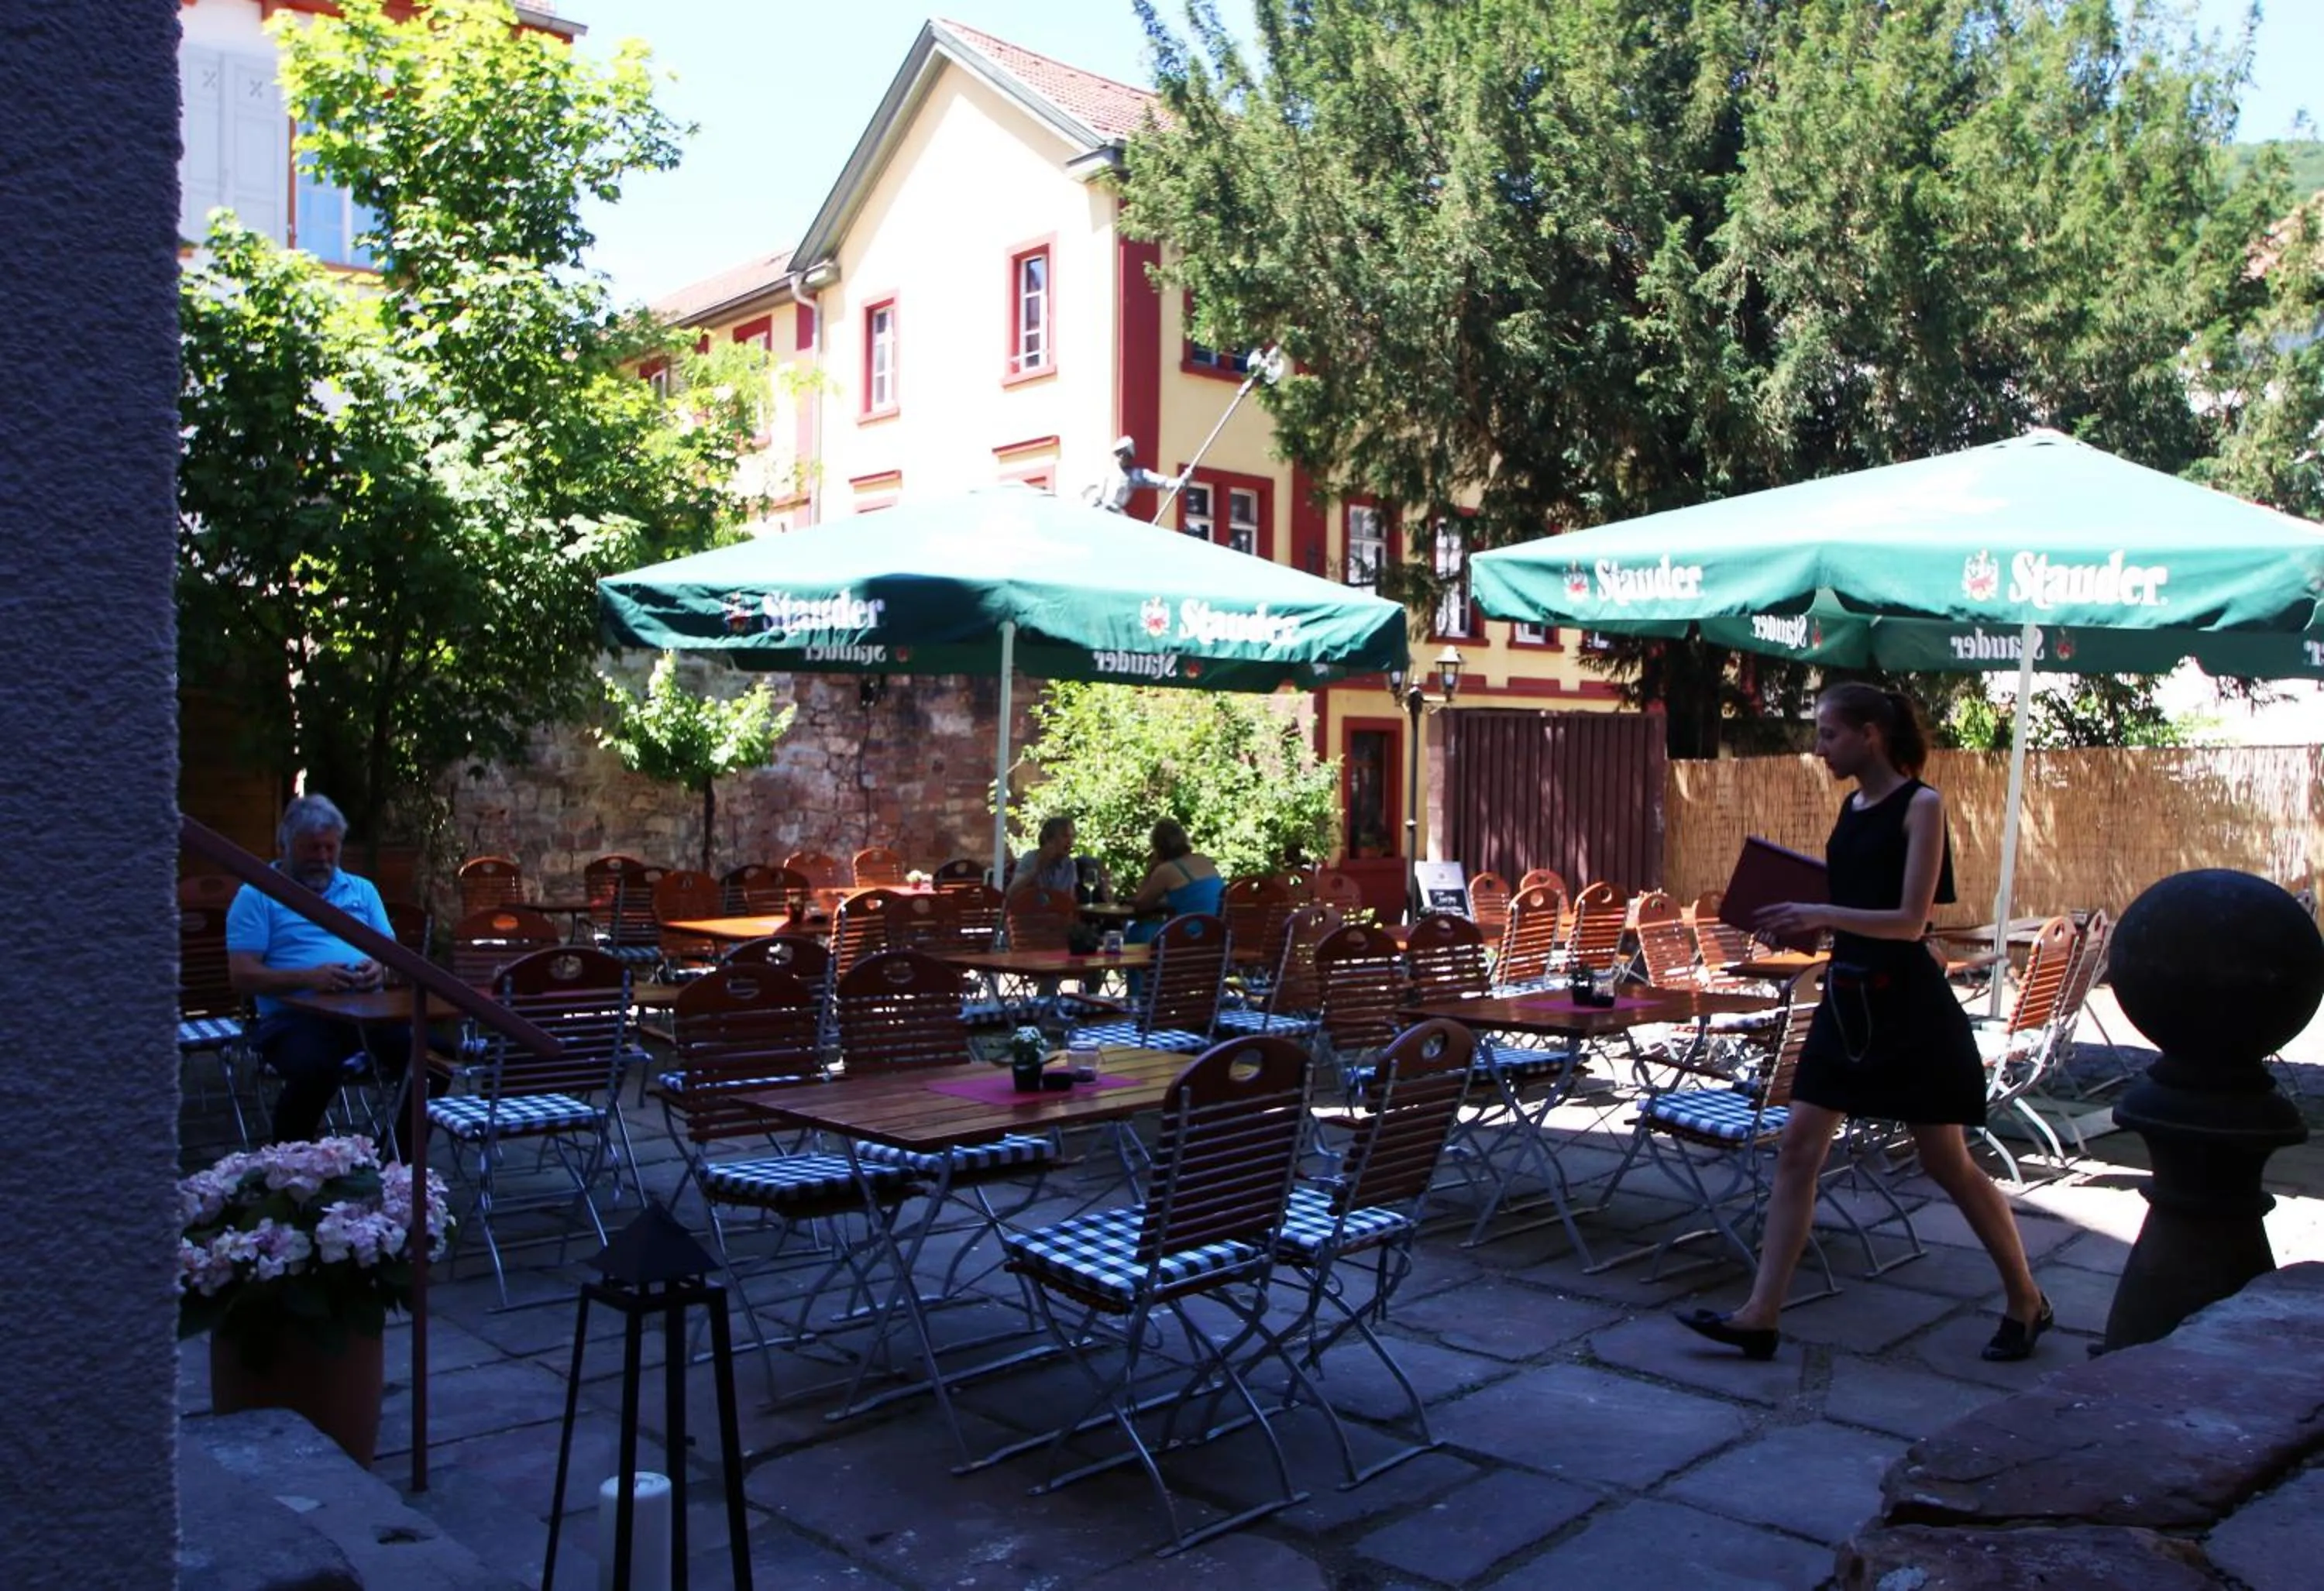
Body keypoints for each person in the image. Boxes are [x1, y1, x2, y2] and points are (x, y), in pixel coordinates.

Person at [1673, 685, 2051, 1364]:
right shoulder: (1853, 806)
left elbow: (1911, 923)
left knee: (1947, 1163)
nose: (1819, 748)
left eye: (1828, 735)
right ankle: (1760, 1315)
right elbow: (1852, 902)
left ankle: (2027, 1298)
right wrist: (1799, 910)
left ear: (1871, 734)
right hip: (1846, 1000)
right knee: (1796, 1151)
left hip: (1905, 1006)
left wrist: (1823, 914)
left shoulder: (1923, 806)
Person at [226, 794, 407, 1147]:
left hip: (364, 1015)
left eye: (330, 848)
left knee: (433, 1062)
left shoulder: (361, 890)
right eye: (311, 849)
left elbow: (393, 956)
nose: (322, 858)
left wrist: (380, 969)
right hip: (292, 1020)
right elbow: (242, 976)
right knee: (316, 1069)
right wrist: (309, 978)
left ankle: (392, 1161)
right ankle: (291, 1169)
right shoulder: (258, 894)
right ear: (285, 846)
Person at [1123, 819, 1225, 944]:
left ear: (1157, 847)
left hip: (1186, 934)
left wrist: (1149, 871)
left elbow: (1141, 906)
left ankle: (1134, 964)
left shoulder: (1165, 870)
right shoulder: (1204, 860)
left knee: (1138, 931)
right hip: (1213, 933)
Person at [1008, 815, 1106, 903]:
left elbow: (1069, 900)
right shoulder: (1031, 858)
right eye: (1065, 836)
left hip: (1057, 919)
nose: (1070, 842)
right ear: (1048, 839)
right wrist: (1036, 870)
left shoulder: (1069, 865)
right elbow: (1011, 893)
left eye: (1072, 837)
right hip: (1028, 919)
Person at [1085, 435, 1185, 515]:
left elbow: (1158, 481)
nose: (1122, 456)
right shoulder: (1105, 471)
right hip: (1097, 513)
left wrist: (1177, 482)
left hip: (1116, 516)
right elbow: (1086, 491)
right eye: (1120, 452)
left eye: (1126, 454)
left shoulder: (1134, 474)